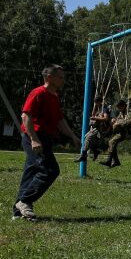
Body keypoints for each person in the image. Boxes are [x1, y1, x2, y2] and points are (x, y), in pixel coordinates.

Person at [12, 64, 81, 221]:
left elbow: (59, 120)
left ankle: (18, 212)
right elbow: (26, 116)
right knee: (50, 170)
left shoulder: (54, 96)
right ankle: (25, 201)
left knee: (31, 172)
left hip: (45, 138)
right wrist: (34, 139)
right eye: (60, 77)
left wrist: (73, 136)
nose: (63, 80)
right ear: (49, 77)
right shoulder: (38, 93)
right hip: (35, 138)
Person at [74, 95, 111, 163]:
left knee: (88, 138)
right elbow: (93, 114)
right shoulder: (98, 108)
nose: (95, 103)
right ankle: (95, 151)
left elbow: (106, 118)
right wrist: (95, 107)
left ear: (100, 102)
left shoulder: (104, 108)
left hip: (100, 129)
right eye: (95, 102)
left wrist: (95, 118)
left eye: (96, 102)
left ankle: (83, 156)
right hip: (95, 128)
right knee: (86, 138)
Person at [99, 99, 131, 168]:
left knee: (111, 142)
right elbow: (117, 119)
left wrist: (119, 122)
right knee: (112, 144)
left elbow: (129, 122)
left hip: (128, 132)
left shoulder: (129, 113)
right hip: (121, 131)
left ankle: (109, 161)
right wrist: (114, 120)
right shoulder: (122, 112)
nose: (118, 109)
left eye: (119, 108)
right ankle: (116, 161)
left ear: (123, 106)